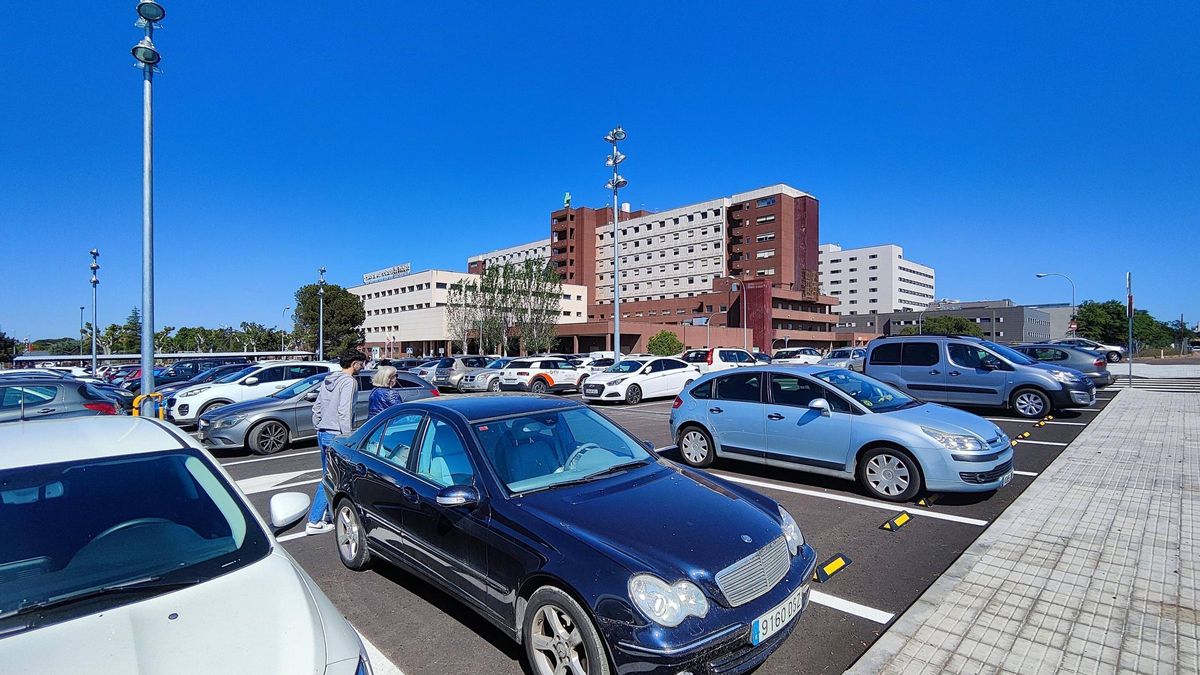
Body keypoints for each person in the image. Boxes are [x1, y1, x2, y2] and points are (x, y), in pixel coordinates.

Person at [306, 351, 366, 534]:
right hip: (336, 435)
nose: (363, 367)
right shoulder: (349, 382)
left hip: (323, 432)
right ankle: (314, 521)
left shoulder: (329, 379)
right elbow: (344, 410)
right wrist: (347, 437)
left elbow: (316, 407)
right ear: (354, 364)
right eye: (362, 364)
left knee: (329, 475)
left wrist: (319, 426)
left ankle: (329, 516)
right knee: (331, 478)